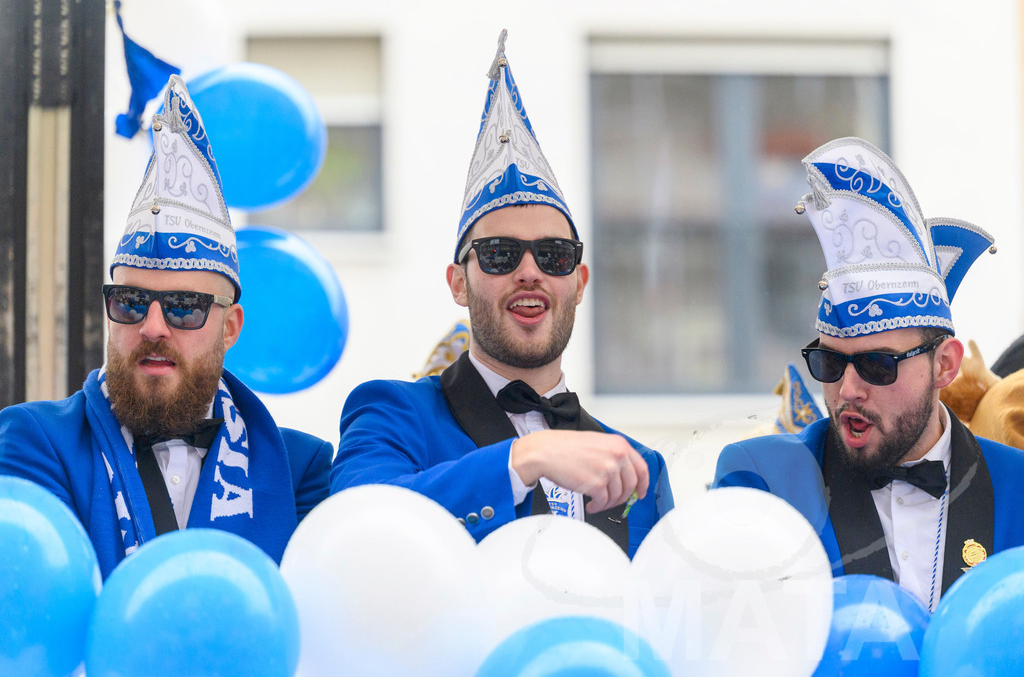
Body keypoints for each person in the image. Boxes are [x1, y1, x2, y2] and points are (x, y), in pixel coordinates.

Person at [331, 30, 673, 558]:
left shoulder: (637, 466)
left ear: (578, 283)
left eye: (554, 254)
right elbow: (355, 527)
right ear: (458, 283)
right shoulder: (395, 414)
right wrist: (523, 460)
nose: (530, 271)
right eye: (499, 254)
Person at [0, 75, 332, 579]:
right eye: (131, 302)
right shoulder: (36, 441)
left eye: (183, 306)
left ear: (230, 326)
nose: (153, 327)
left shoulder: (299, 469)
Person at [712, 137, 1024, 612]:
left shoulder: (1018, 487)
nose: (847, 391)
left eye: (878, 365)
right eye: (831, 363)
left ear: (945, 364)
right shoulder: (764, 478)